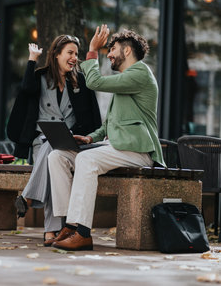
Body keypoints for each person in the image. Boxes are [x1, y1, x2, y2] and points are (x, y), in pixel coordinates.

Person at [47, 25, 166, 251]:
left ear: (127, 51)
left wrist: (92, 50)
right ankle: (68, 226)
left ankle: (82, 232)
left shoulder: (140, 73)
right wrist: (91, 139)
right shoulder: (126, 80)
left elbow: (94, 83)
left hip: (137, 150)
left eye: (112, 49)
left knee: (86, 161)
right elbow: (109, 125)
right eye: (106, 50)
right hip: (117, 147)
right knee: (58, 156)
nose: (108, 53)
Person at [6, 35, 101, 246]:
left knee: (54, 152)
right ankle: (52, 230)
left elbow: (90, 115)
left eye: (76, 54)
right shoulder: (40, 78)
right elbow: (25, 90)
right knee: (51, 157)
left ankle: (29, 197)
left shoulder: (81, 81)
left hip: (69, 142)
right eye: (70, 53)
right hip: (42, 139)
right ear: (56, 54)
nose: (74, 58)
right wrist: (32, 59)